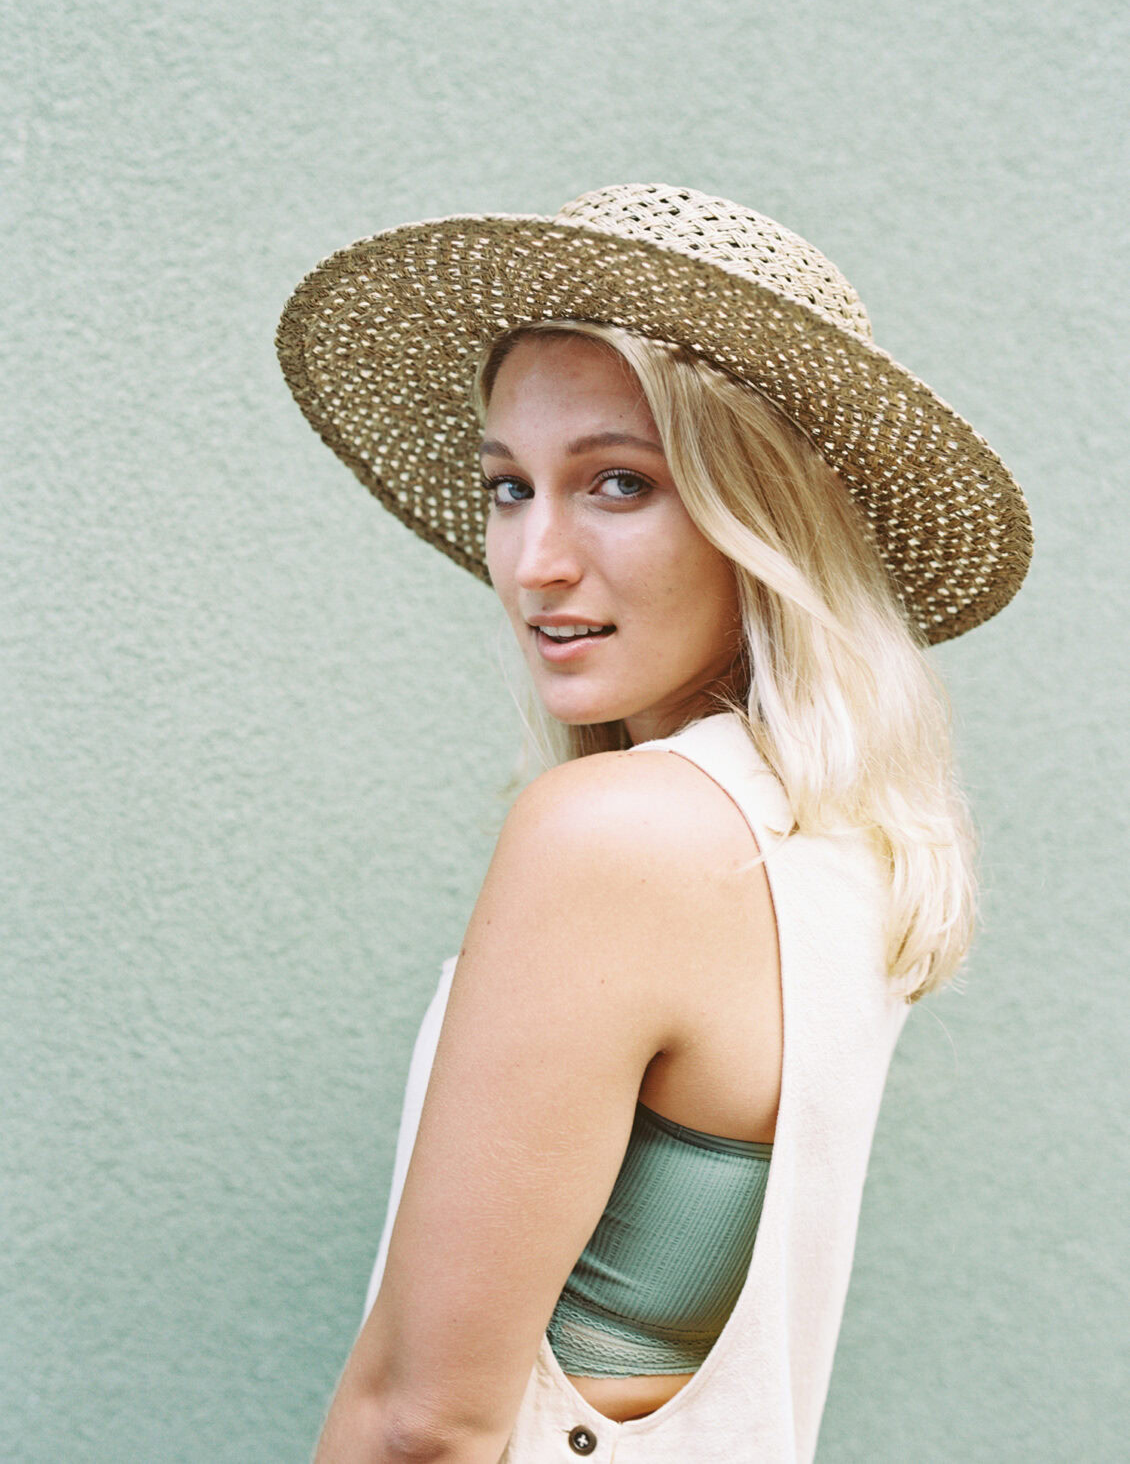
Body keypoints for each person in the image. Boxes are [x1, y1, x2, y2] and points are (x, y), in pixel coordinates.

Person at [275, 184, 1033, 1463]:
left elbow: (424, 1421)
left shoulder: (617, 833)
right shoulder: (842, 844)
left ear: (764, 518)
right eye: (509, 488)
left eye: (617, 483)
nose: (533, 562)